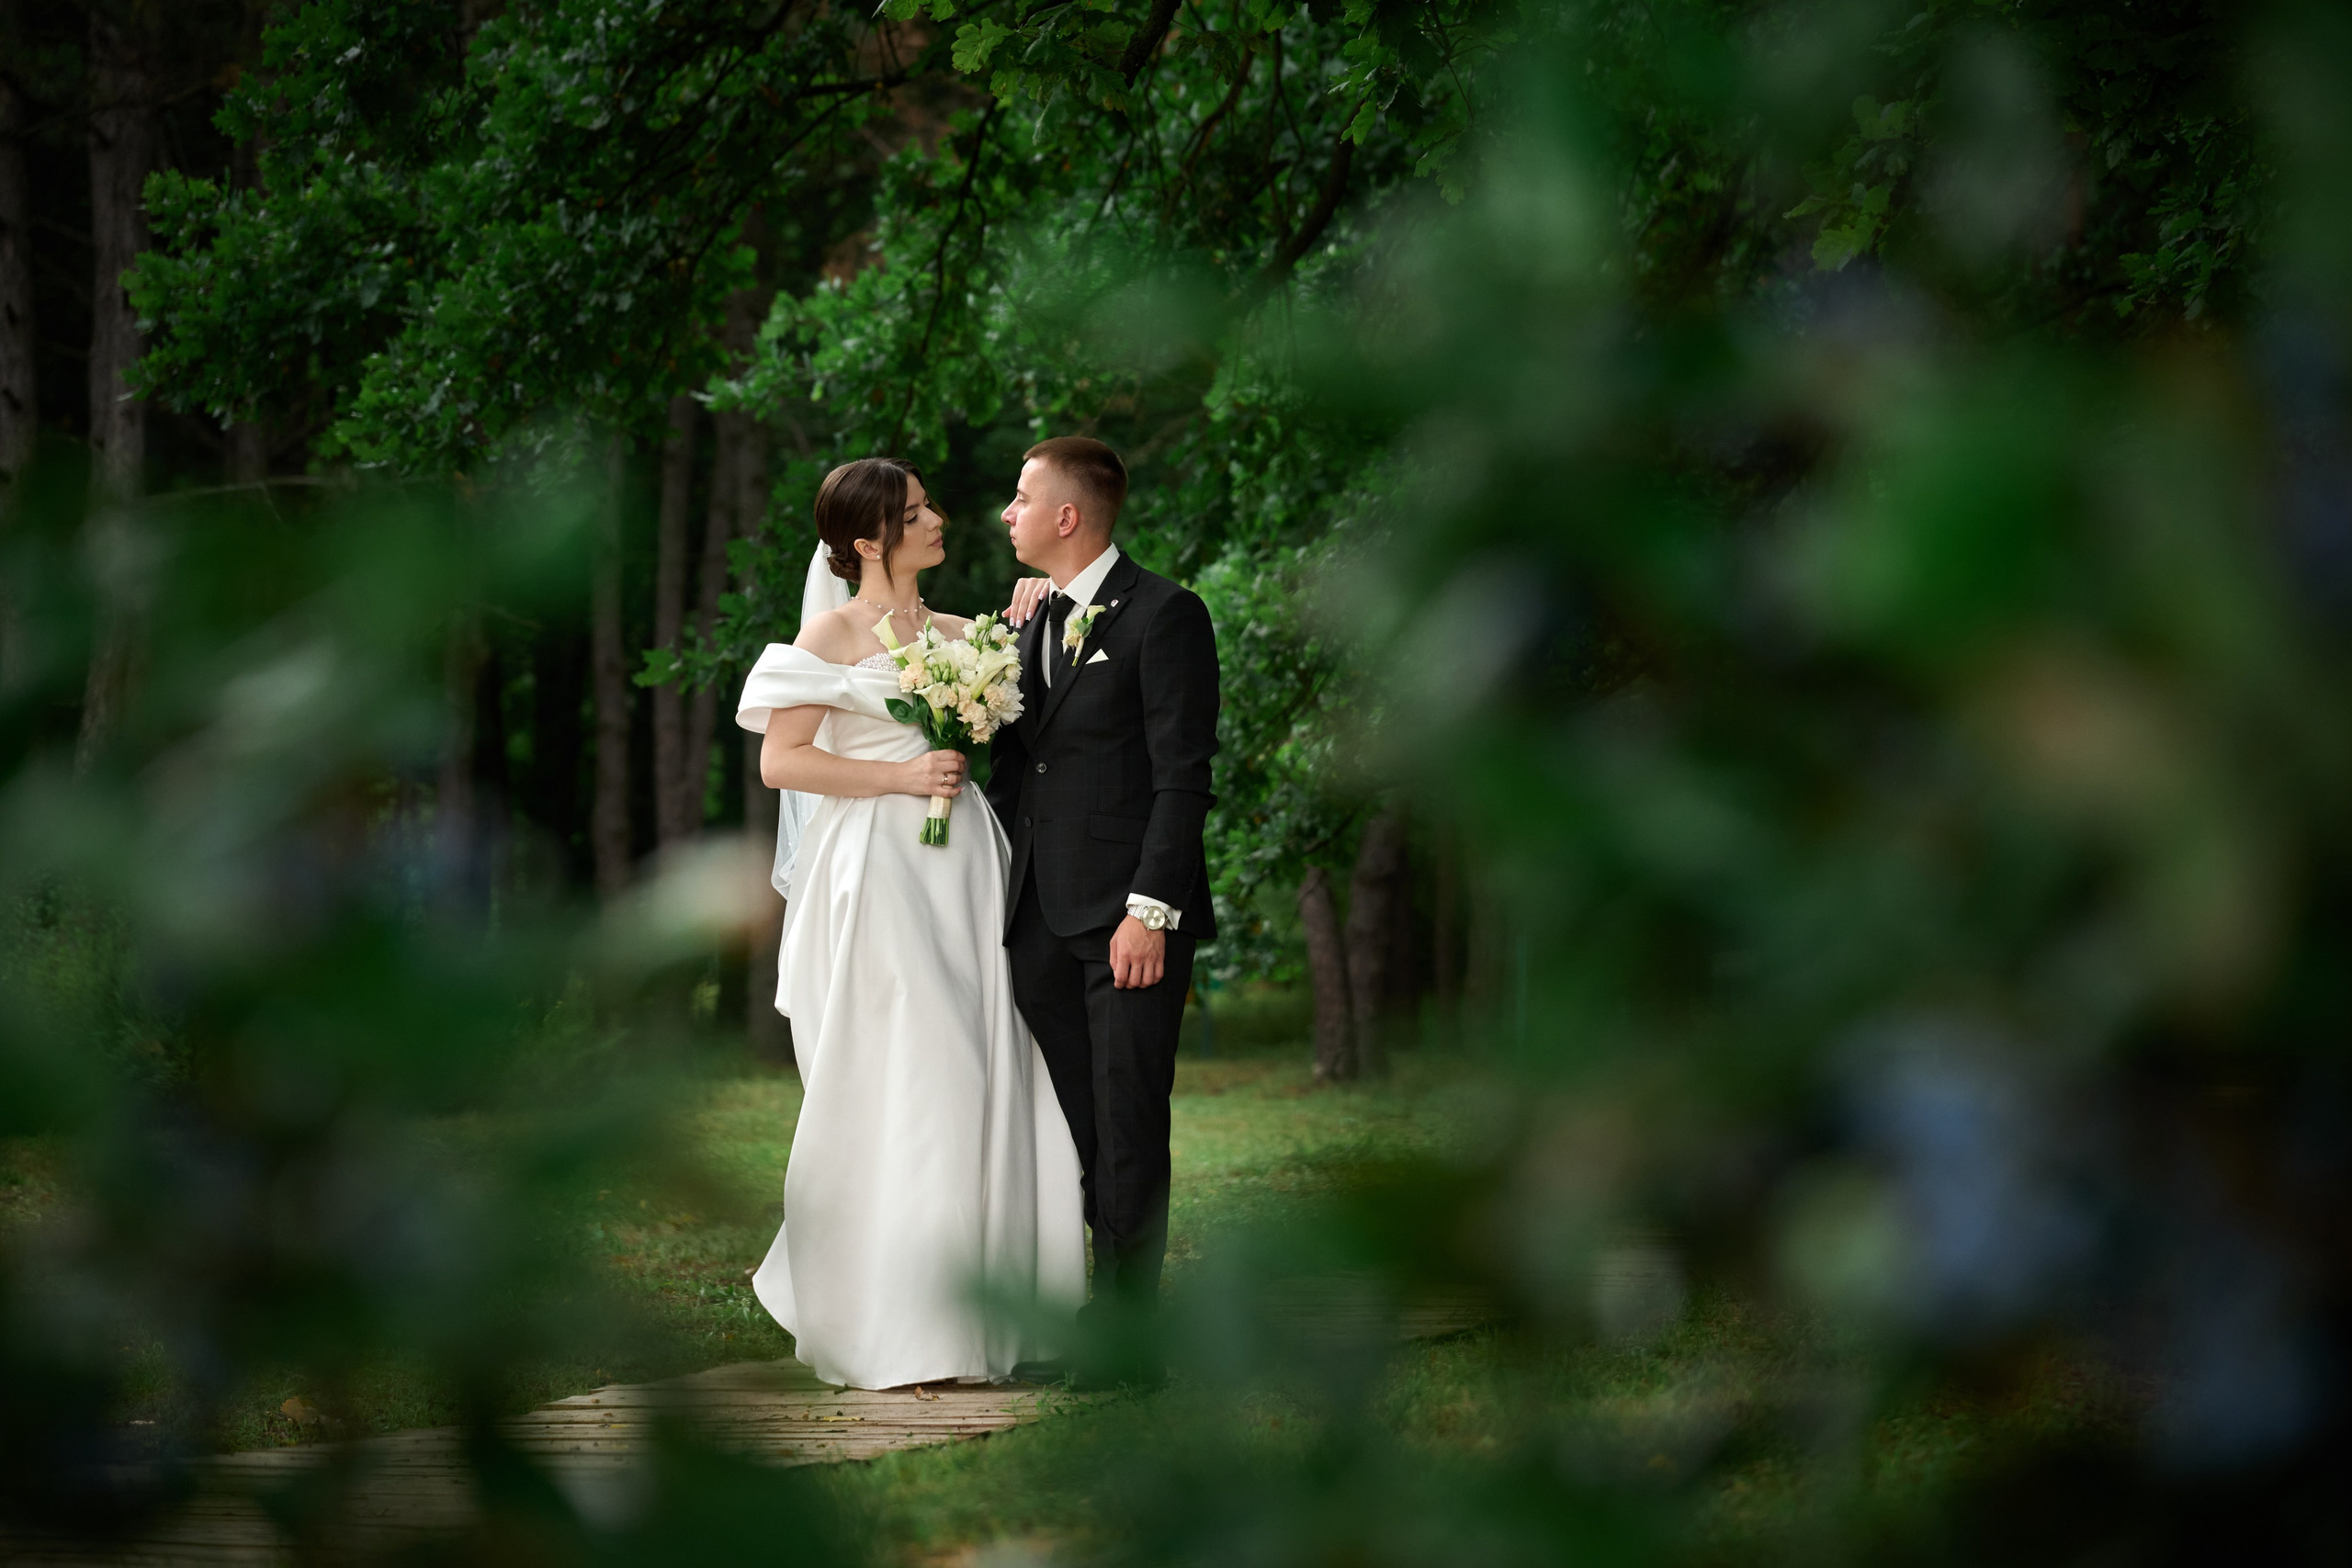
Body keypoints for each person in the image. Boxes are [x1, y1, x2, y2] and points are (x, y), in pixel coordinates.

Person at [734, 457, 1083, 1391]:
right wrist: (901, 776)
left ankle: (988, 1321)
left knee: (983, 1070)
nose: (939, 520)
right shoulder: (832, 633)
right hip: (879, 871)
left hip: (964, 865)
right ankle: (906, 1333)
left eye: (930, 504)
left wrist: (1038, 612)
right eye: (918, 511)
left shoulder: (965, 632)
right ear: (866, 539)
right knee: (924, 1071)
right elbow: (783, 763)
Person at [987, 436, 1221, 1339]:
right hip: (1037, 919)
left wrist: (1149, 910)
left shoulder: (1166, 616)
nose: (1008, 513)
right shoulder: (1028, 622)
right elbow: (1020, 771)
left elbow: (1182, 775)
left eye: (1020, 497)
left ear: (1067, 516)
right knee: (1068, 1128)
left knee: (1126, 1122)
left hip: (1127, 920)